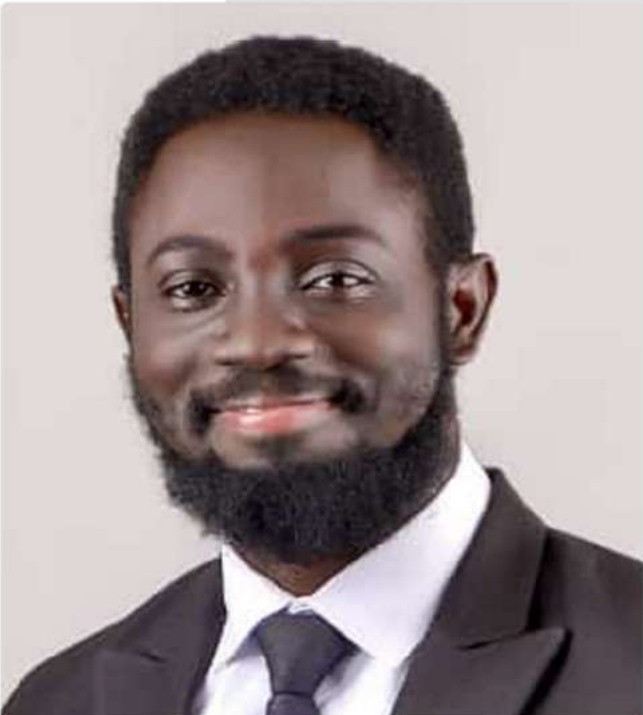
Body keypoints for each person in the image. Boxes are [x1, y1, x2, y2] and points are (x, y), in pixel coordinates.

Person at [3, 35, 641, 715]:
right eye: (192, 288)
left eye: (335, 278)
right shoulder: (57, 701)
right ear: (129, 326)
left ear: (461, 308)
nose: (255, 342)